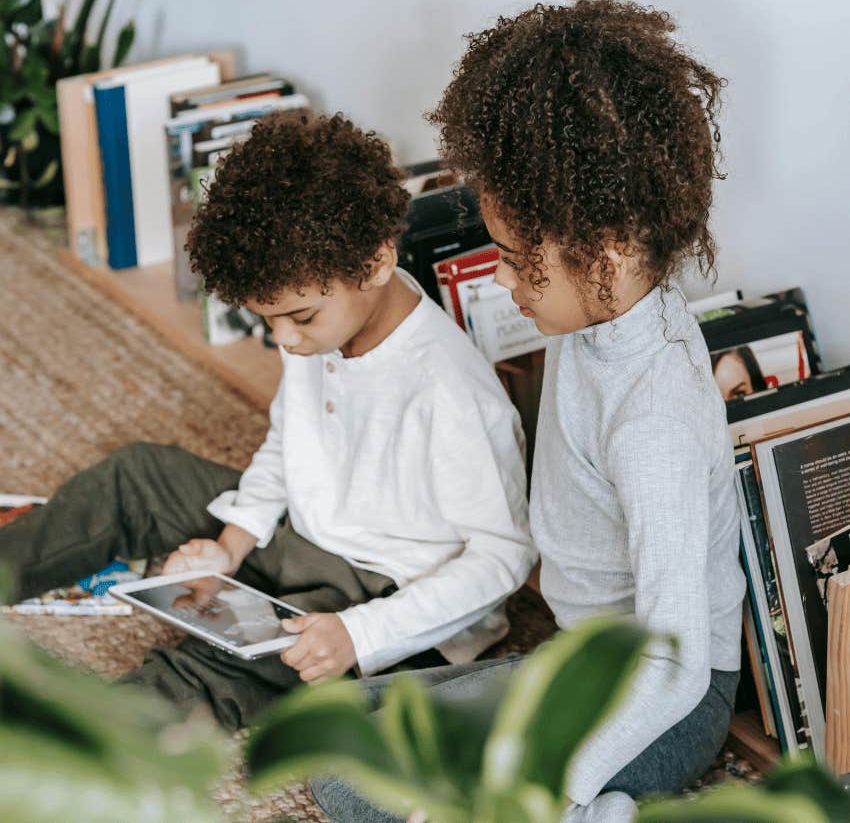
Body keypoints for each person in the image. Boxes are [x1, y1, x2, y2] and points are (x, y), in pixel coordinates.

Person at [311, 0, 746, 822]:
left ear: (606, 257)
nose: (503, 281)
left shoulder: (655, 422)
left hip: (666, 704)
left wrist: (552, 783)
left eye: (514, 260)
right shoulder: (608, 314)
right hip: (581, 661)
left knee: (350, 788)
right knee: (340, 726)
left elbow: (677, 667)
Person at [0, 112, 535, 730]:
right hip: (294, 537)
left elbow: (502, 558)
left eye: (300, 318)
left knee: (225, 665)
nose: (285, 340)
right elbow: (289, 443)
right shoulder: (322, 329)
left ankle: (66, 749)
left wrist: (357, 635)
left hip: (381, 593)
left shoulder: (452, 393)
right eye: (268, 321)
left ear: (377, 261)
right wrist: (230, 543)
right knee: (137, 474)